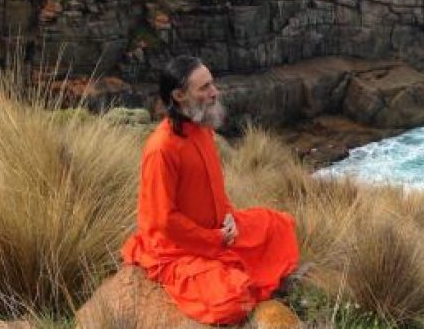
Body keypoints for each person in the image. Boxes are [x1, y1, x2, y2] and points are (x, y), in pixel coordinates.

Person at [121, 55, 300, 325]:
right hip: (178, 249)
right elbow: (163, 221)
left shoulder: (202, 129)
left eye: (212, 84)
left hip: (220, 230)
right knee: (234, 298)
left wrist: (228, 217)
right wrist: (212, 239)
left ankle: (235, 264)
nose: (214, 92)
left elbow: (215, 188)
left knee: (279, 225)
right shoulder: (161, 149)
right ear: (179, 95)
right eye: (204, 87)